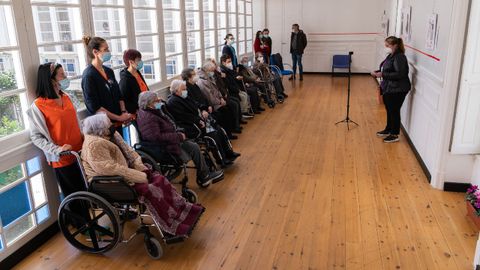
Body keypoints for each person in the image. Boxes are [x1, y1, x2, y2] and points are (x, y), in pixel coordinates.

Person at [81, 113, 205, 237]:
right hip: (111, 182)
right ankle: (170, 224)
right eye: (108, 123)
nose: (112, 125)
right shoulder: (94, 145)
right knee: (151, 189)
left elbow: (130, 152)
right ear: (100, 128)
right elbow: (110, 169)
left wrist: (140, 167)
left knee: (160, 179)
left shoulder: (110, 135)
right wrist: (138, 176)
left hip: (125, 175)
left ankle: (181, 214)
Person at [27, 62, 86, 227]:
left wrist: (84, 137)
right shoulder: (39, 105)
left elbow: (75, 122)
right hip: (62, 157)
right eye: (61, 74)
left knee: (84, 190)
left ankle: (90, 221)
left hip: (80, 152)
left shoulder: (66, 97)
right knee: (73, 194)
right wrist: (57, 149)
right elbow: (36, 137)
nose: (66, 77)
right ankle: (82, 226)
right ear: (51, 79)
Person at [136, 92, 224, 186]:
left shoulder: (154, 111)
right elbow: (156, 137)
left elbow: (169, 124)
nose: (159, 101)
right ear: (149, 103)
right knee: (194, 147)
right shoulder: (148, 117)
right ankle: (205, 175)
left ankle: (204, 175)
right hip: (164, 146)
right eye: (157, 100)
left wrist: (179, 132)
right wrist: (178, 136)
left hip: (172, 140)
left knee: (194, 147)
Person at [166, 80, 240, 166]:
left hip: (199, 121)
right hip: (191, 127)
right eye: (183, 89)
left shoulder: (184, 97)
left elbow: (195, 103)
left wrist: (204, 108)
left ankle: (229, 153)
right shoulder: (173, 102)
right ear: (176, 90)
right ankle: (221, 159)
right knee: (213, 135)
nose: (186, 90)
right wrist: (198, 120)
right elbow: (183, 117)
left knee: (220, 130)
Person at [81, 36, 132, 136]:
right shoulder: (89, 76)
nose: (109, 52)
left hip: (118, 122)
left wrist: (123, 113)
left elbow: (118, 95)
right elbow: (95, 107)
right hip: (103, 127)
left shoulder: (109, 71)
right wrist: (119, 118)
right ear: (95, 52)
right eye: (106, 49)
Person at [371, 36, 411, 143]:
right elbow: (386, 68)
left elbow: (400, 74)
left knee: (394, 111)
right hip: (389, 87)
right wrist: (377, 72)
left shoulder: (400, 57)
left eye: (387, 45)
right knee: (389, 109)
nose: (386, 47)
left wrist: (382, 74)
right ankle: (388, 129)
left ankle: (394, 134)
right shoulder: (390, 56)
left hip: (398, 89)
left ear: (395, 45)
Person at [183, 67, 238, 136]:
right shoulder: (187, 88)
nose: (196, 76)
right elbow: (194, 102)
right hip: (201, 110)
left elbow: (203, 97)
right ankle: (225, 135)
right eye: (194, 74)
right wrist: (204, 108)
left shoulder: (195, 85)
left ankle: (228, 133)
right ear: (188, 77)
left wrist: (208, 105)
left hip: (207, 107)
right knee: (221, 114)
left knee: (227, 109)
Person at [220, 54, 255, 120]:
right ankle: (243, 113)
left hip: (235, 87)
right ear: (223, 62)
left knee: (245, 94)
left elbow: (235, 75)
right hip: (231, 90)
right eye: (228, 62)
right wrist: (236, 79)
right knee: (243, 96)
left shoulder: (229, 69)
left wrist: (237, 77)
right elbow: (228, 83)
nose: (230, 63)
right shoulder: (223, 71)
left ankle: (245, 111)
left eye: (230, 61)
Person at [119, 49, 148, 115]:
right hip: (138, 112)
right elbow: (125, 101)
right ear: (131, 62)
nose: (141, 62)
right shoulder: (125, 80)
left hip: (146, 108)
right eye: (138, 60)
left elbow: (145, 88)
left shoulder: (137, 72)